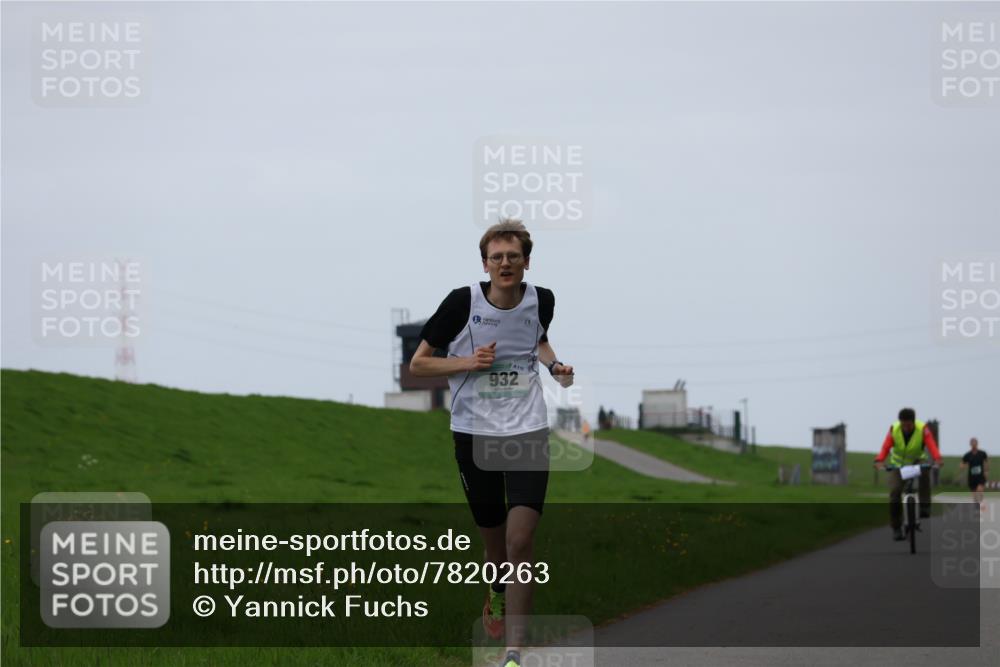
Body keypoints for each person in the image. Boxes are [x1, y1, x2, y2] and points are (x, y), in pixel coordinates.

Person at [409, 218, 574, 667]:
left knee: (521, 541)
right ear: (485, 263)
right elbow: (419, 366)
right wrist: (466, 362)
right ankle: (496, 592)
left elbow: (538, 340)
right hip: (474, 434)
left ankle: (514, 653)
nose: (505, 263)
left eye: (513, 257)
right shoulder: (462, 303)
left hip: (526, 430)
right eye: (497, 257)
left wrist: (555, 365)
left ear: (526, 262)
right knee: (497, 547)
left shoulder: (544, 300)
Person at [874, 408, 944, 541]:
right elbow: (885, 447)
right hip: (898, 464)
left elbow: (931, 445)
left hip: (917, 460)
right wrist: (879, 460)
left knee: (925, 470)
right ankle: (896, 528)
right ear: (900, 422)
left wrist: (938, 458)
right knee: (895, 492)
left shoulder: (922, 428)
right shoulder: (894, 429)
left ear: (913, 422)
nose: (906, 428)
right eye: (903, 425)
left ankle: (924, 505)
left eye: (909, 425)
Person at [959, 437, 989, 509]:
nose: (974, 445)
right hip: (972, 477)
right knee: (974, 495)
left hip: (980, 476)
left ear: (977, 444)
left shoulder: (982, 453)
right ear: (970, 444)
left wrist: (986, 471)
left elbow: (986, 463)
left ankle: (981, 504)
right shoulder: (967, 455)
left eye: (975, 443)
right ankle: (977, 507)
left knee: (979, 490)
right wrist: (963, 466)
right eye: (972, 443)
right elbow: (962, 464)